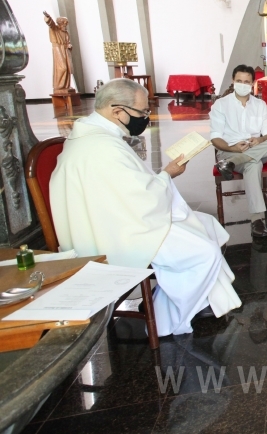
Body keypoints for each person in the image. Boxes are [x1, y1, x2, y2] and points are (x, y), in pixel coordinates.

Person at [50, 79, 241, 336]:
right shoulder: (101, 147)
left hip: (118, 218)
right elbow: (143, 198)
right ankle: (166, 318)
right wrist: (167, 175)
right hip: (115, 233)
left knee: (207, 224)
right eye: (141, 112)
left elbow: (129, 193)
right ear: (117, 111)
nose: (146, 118)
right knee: (204, 252)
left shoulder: (95, 136)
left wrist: (160, 179)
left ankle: (205, 300)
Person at [210, 64, 267, 237]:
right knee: (254, 163)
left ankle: (229, 165)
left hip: (256, 148)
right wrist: (231, 148)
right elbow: (215, 138)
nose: (243, 84)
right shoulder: (221, 105)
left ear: (252, 83)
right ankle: (257, 220)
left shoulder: (260, 105)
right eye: (239, 81)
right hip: (229, 150)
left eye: (246, 82)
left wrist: (259, 140)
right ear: (233, 81)